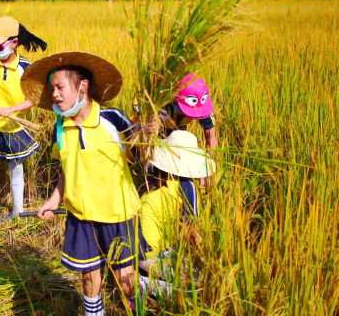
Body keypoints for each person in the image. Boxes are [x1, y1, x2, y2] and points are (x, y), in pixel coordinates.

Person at [23, 52, 147, 315]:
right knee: (89, 278)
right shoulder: (61, 128)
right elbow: (66, 171)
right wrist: (54, 199)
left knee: (125, 280)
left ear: (82, 86)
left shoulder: (112, 119)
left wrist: (147, 133)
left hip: (118, 213)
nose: (54, 94)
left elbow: (141, 153)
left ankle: (139, 307)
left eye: (59, 87)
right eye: (52, 88)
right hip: (81, 214)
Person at [0, 16, 47, 238]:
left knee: (16, 169)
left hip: (13, 126)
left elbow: (33, 99)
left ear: (14, 42)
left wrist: (12, 110)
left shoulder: (25, 68)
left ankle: (18, 211)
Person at [138, 130, 216, 296]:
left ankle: (143, 283)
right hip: (158, 258)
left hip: (137, 256)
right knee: (199, 282)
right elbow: (191, 233)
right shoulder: (187, 187)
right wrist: (208, 260)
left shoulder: (147, 181)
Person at [159, 73, 217, 216]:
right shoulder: (164, 107)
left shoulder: (200, 103)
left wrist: (206, 170)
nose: (195, 115)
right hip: (158, 139)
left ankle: (188, 220)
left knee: (186, 181)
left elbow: (211, 136)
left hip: (179, 139)